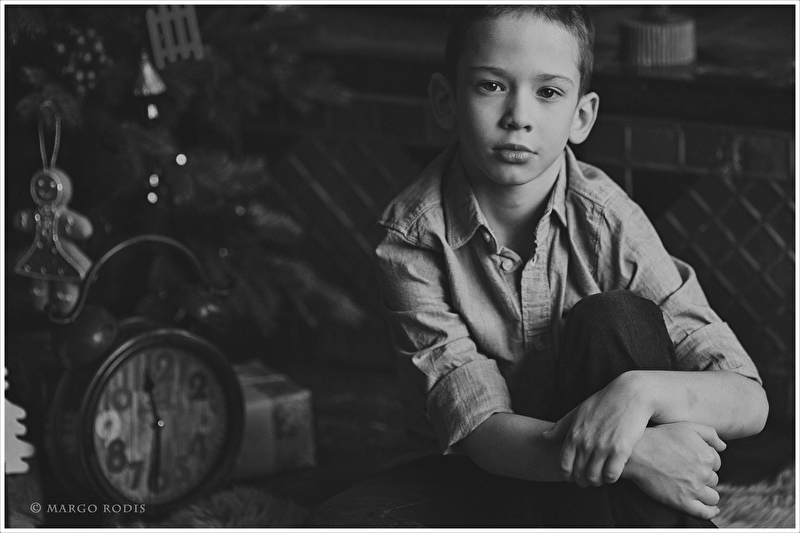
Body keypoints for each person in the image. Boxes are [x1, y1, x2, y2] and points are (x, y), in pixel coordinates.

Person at [304, 6, 768, 527]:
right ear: (446, 100)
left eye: (548, 92)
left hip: (601, 478)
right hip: (484, 472)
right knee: (336, 523)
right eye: (491, 86)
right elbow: (481, 430)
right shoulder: (412, 240)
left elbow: (749, 399)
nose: (518, 116)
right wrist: (637, 455)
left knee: (614, 316)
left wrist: (639, 394)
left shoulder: (609, 221)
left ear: (581, 116)